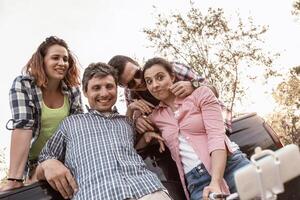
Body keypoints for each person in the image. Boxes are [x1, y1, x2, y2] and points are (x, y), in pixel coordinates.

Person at [35, 62, 171, 200]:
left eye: (109, 86)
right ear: (85, 91)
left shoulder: (127, 122)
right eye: (96, 88)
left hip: (149, 190)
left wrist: (146, 137)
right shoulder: (71, 123)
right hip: (99, 194)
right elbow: (44, 158)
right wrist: (48, 164)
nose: (104, 93)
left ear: (117, 89)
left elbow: (133, 150)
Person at [136, 57, 250, 200]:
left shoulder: (201, 94)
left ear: (172, 76)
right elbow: (134, 145)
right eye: (149, 81)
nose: (155, 85)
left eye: (160, 77)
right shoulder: (156, 117)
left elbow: (216, 136)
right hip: (197, 183)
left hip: (232, 166)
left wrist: (215, 181)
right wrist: (136, 119)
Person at [0, 36, 83, 191]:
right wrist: (14, 179)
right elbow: (23, 125)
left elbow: (78, 130)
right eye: (55, 58)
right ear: (42, 61)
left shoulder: (72, 91)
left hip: (66, 159)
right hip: (36, 164)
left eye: (65, 59)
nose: (62, 63)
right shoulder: (24, 85)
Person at [107, 55, 231, 135]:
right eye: (131, 83)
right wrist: (137, 120)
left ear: (139, 64)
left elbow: (214, 91)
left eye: (138, 74)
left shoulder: (172, 69)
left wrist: (193, 85)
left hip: (215, 125)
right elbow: (133, 130)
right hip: (182, 141)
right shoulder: (131, 96)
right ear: (124, 86)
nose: (138, 82)